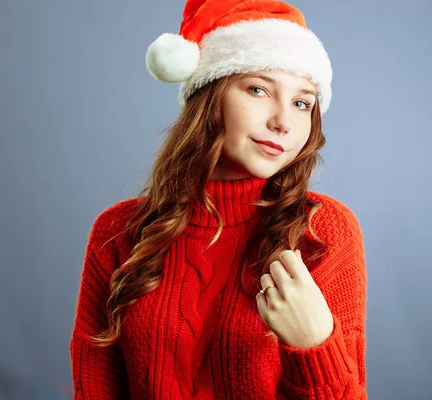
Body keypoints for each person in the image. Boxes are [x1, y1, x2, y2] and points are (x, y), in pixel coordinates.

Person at [69, 0, 367, 398]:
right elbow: (95, 386)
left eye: (302, 103)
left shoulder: (323, 230)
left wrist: (313, 345)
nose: (283, 121)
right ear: (210, 98)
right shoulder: (118, 231)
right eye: (259, 89)